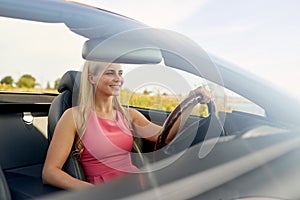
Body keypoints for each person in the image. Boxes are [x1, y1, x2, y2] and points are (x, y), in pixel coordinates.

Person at [42, 61, 211, 190]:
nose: (118, 79)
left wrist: (188, 103)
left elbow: (164, 137)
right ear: (91, 78)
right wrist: (93, 193)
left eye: (120, 73)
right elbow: (50, 172)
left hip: (138, 185)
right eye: (110, 73)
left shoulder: (128, 115)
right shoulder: (74, 116)